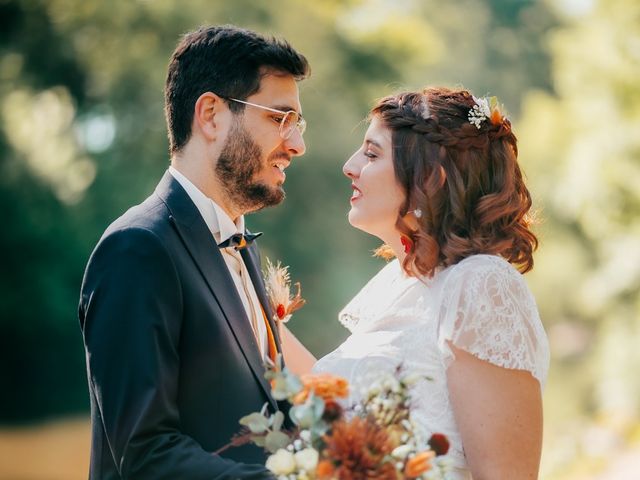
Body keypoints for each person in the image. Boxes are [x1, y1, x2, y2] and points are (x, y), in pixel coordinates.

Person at [79, 25, 315, 479]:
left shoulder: (241, 248)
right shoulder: (137, 249)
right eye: (279, 118)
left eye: (297, 124)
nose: (297, 144)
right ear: (210, 115)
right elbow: (145, 456)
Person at [313, 87, 550, 479]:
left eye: (372, 154)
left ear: (430, 178)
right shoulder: (401, 284)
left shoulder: (480, 284)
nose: (349, 166)